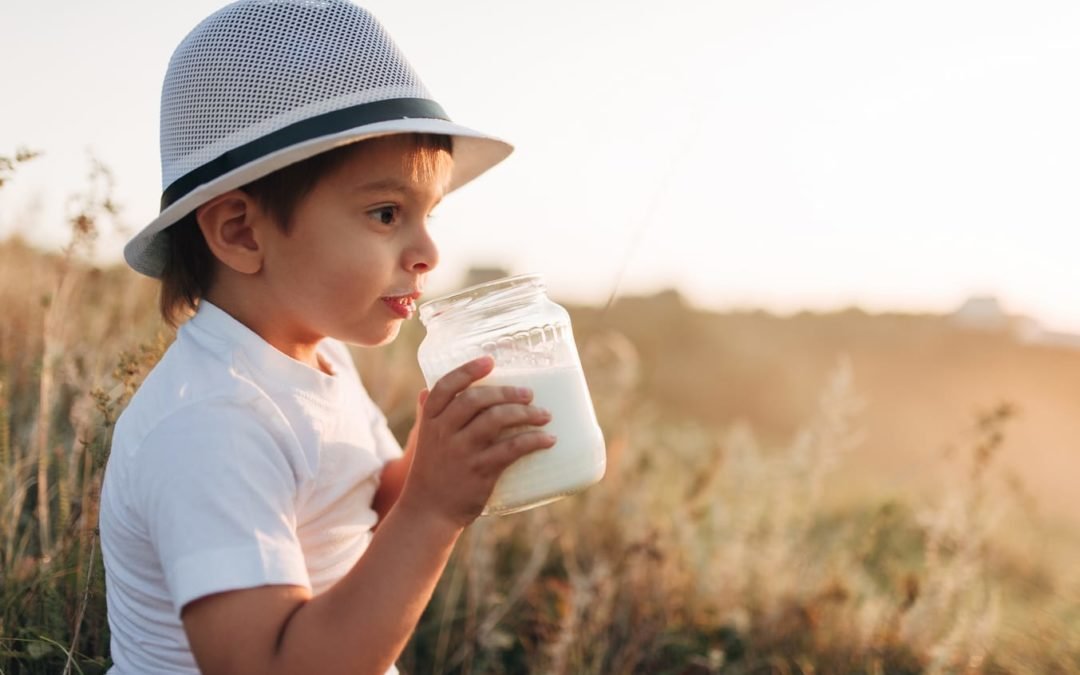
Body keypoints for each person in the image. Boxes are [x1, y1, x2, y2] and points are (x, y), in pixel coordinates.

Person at [97, 2, 556, 673]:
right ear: (241, 233)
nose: (428, 249)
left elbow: (366, 501)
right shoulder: (210, 424)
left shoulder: (318, 356)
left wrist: (446, 453)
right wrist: (432, 507)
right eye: (385, 213)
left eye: (429, 214)